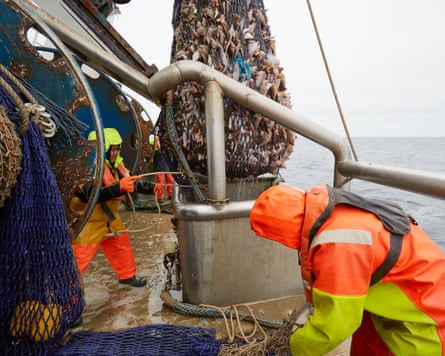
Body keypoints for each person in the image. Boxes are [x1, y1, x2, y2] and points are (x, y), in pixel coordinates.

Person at [250, 184, 445, 356]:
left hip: (426, 326)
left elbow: (335, 324)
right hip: (390, 306)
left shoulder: (338, 244)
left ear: (284, 232)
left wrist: (295, 348)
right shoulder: (333, 214)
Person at [72, 128, 163, 289]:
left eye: (117, 148)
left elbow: (130, 183)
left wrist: (152, 187)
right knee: (77, 264)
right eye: (111, 149)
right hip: (89, 223)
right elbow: (90, 195)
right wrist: (119, 188)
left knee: (121, 245)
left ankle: (127, 276)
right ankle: (67, 304)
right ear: (101, 148)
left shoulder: (116, 166)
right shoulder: (87, 168)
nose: (115, 153)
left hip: (110, 218)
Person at [151, 132, 174, 201]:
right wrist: (156, 141)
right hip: (159, 163)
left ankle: (171, 196)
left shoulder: (167, 141)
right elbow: (153, 145)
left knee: (170, 179)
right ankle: (160, 198)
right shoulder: (154, 138)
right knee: (160, 181)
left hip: (167, 164)